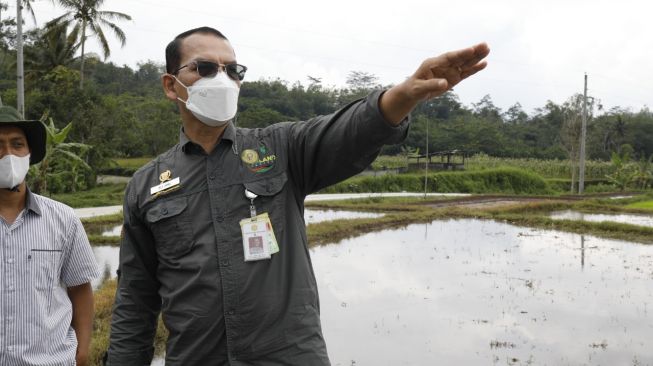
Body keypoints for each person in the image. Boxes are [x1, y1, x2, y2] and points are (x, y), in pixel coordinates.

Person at [107, 26, 489, 365]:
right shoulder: (146, 186)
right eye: (205, 68)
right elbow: (136, 300)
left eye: (233, 70)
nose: (221, 79)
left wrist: (402, 96)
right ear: (172, 86)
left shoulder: (280, 148)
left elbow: (348, 130)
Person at [0, 106, 100, 366]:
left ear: (29, 153)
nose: (7, 154)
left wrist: (82, 351)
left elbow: (80, 289)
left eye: (17, 144)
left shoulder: (63, 220)